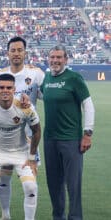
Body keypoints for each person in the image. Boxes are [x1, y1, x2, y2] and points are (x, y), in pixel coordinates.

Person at [0, 73, 41, 220]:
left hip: (21, 152)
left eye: (9, 87)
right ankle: (1, 216)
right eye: (1, 87)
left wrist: (31, 157)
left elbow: (37, 130)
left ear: (14, 89)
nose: (5, 90)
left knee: (31, 187)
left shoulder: (25, 107)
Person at [0, 36, 45, 220]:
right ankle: (5, 215)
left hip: (29, 141)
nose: (16, 53)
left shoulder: (36, 74)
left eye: (19, 50)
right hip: (3, 139)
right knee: (4, 178)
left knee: (30, 185)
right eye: (12, 50)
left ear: (25, 52)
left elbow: (50, 96)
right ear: (7, 53)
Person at [41, 45, 95, 220]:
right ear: (48, 59)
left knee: (73, 185)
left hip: (71, 139)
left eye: (59, 57)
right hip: (50, 139)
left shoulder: (74, 78)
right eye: (52, 57)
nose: (55, 60)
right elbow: (45, 95)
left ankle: (75, 217)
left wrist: (87, 133)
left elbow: (88, 104)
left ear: (65, 59)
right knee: (54, 184)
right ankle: (58, 217)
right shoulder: (47, 78)